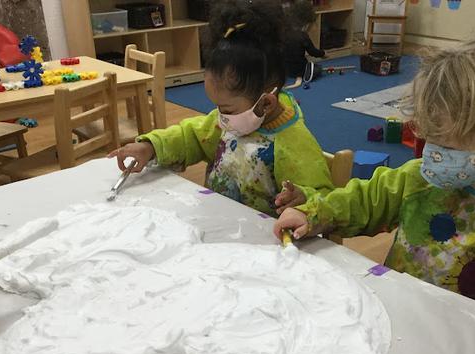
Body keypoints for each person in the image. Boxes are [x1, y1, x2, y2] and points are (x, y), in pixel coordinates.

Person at [275, 24, 475, 338]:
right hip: (394, 327)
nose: (430, 154)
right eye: (429, 139)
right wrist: (314, 212)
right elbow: (363, 201)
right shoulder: (419, 180)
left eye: (445, 146)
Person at [110, 0, 333, 217]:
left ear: (266, 103)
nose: (220, 117)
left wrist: (303, 199)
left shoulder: (294, 143)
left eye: (227, 109)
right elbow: (191, 136)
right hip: (215, 223)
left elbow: (323, 199)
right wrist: (151, 147)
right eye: (217, 106)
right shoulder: (229, 120)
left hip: (262, 244)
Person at [283, 0, 326, 89]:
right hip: (300, 68)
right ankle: (307, 73)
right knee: (318, 68)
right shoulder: (302, 36)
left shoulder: (284, 32)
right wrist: (323, 53)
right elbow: (313, 52)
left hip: (285, 68)